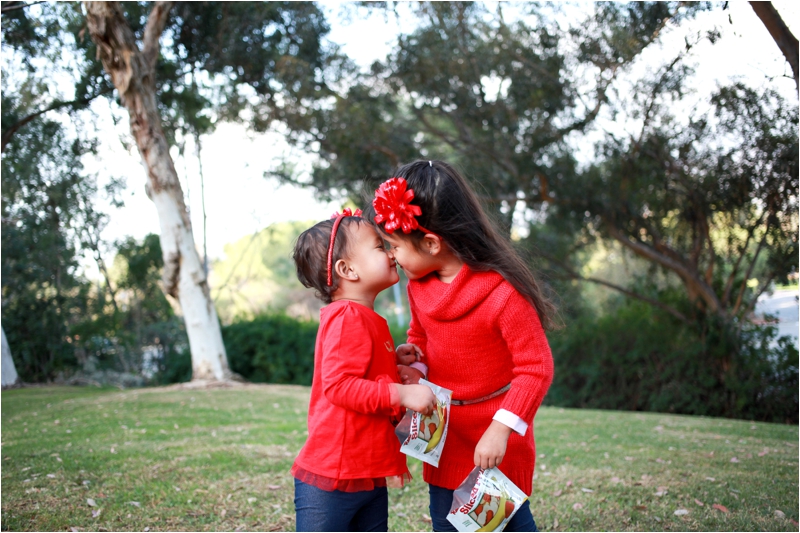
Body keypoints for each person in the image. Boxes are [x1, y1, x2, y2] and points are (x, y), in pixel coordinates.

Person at [364, 161, 556, 532]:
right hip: (444, 433)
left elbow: (536, 368)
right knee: (447, 521)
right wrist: (415, 369)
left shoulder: (503, 294)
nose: (391, 256)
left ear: (431, 243)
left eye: (394, 246)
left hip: (496, 435)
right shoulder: (419, 286)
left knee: (505, 522)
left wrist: (500, 430)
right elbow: (421, 337)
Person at [290, 208, 438, 532]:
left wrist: (395, 362)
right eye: (379, 247)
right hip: (335, 475)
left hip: (366, 469)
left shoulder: (365, 317)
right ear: (348, 270)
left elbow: (364, 374)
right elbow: (339, 386)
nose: (391, 253)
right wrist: (403, 393)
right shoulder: (347, 317)